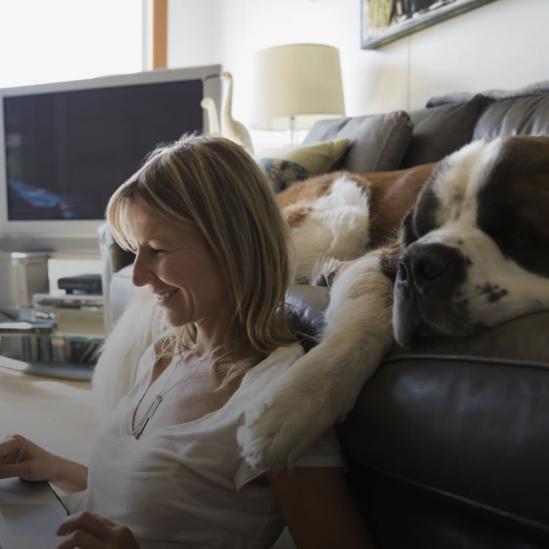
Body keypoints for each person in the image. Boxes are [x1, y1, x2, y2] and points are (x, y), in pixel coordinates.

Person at [0, 136, 373, 548]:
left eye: (157, 250)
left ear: (230, 246)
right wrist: (51, 466)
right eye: (136, 251)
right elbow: (145, 508)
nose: (139, 276)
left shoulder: (279, 404)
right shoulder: (166, 353)